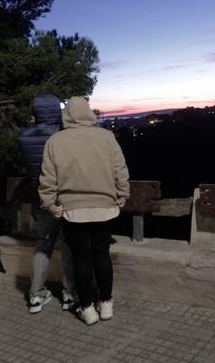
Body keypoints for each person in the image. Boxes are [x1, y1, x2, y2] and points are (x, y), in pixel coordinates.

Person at [38, 96, 130, 325]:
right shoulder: (107, 137)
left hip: (72, 212)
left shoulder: (55, 141)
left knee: (81, 259)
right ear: (88, 112)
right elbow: (121, 171)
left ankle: (88, 309)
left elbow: (47, 179)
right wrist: (121, 198)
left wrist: (50, 205)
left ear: (66, 115)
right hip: (106, 209)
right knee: (101, 255)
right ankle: (106, 304)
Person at [17, 93, 77, 314]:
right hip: (64, 199)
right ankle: (70, 294)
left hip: (39, 200)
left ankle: (35, 295)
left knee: (43, 244)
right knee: (68, 246)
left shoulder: (23, 137)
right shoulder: (65, 136)